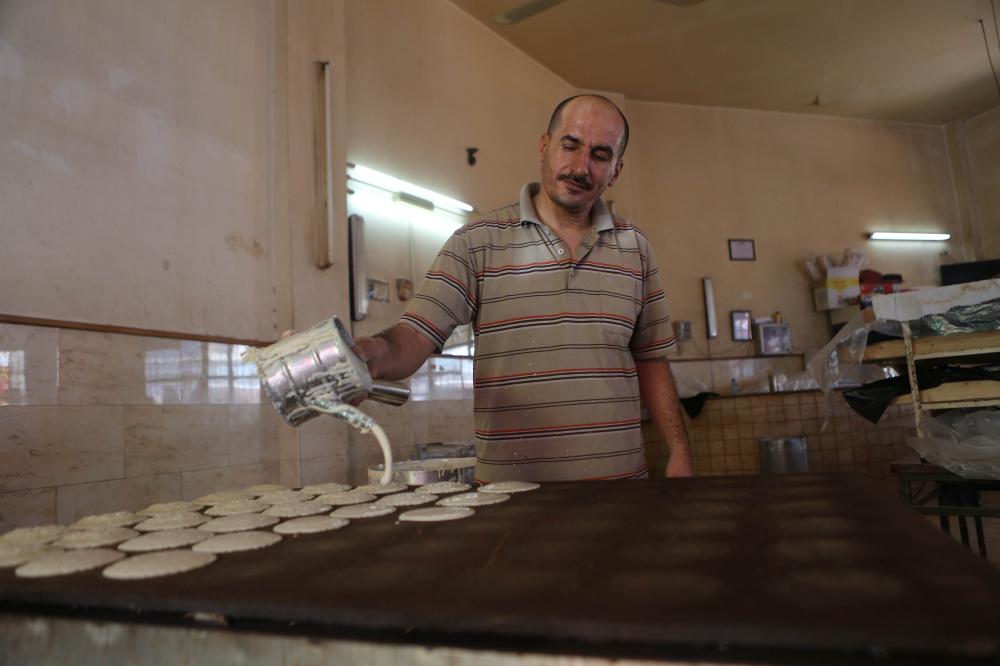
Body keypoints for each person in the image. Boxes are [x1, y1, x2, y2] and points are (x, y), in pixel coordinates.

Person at [354, 94, 693, 482]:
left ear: (616, 170)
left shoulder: (634, 247)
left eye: (600, 155)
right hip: (513, 497)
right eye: (570, 145)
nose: (580, 167)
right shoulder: (477, 242)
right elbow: (415, 335)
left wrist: (680, 451)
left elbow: (652, 360)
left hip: (622, 490)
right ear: (544, 147)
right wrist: (370, 355)